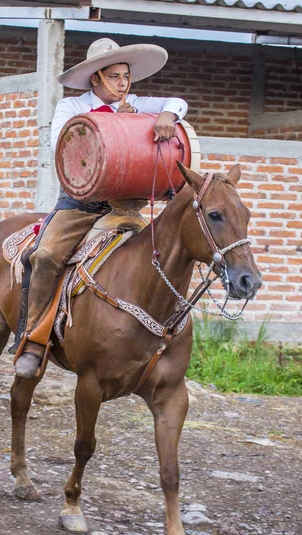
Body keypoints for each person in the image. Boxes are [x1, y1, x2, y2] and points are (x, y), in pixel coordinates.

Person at [13, 38, 188, 378]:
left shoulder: (137, 103)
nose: (123, 84)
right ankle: (33, 338)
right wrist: (109, 119)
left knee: (160, 256)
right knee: (46, 255)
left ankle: (158, 337)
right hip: (80, 206)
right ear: (96, 78)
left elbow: (177, 102)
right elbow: (62, 144)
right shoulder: (71, 108)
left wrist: (166, 114)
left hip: (126, 206)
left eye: (126, 76)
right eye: (115, 76)